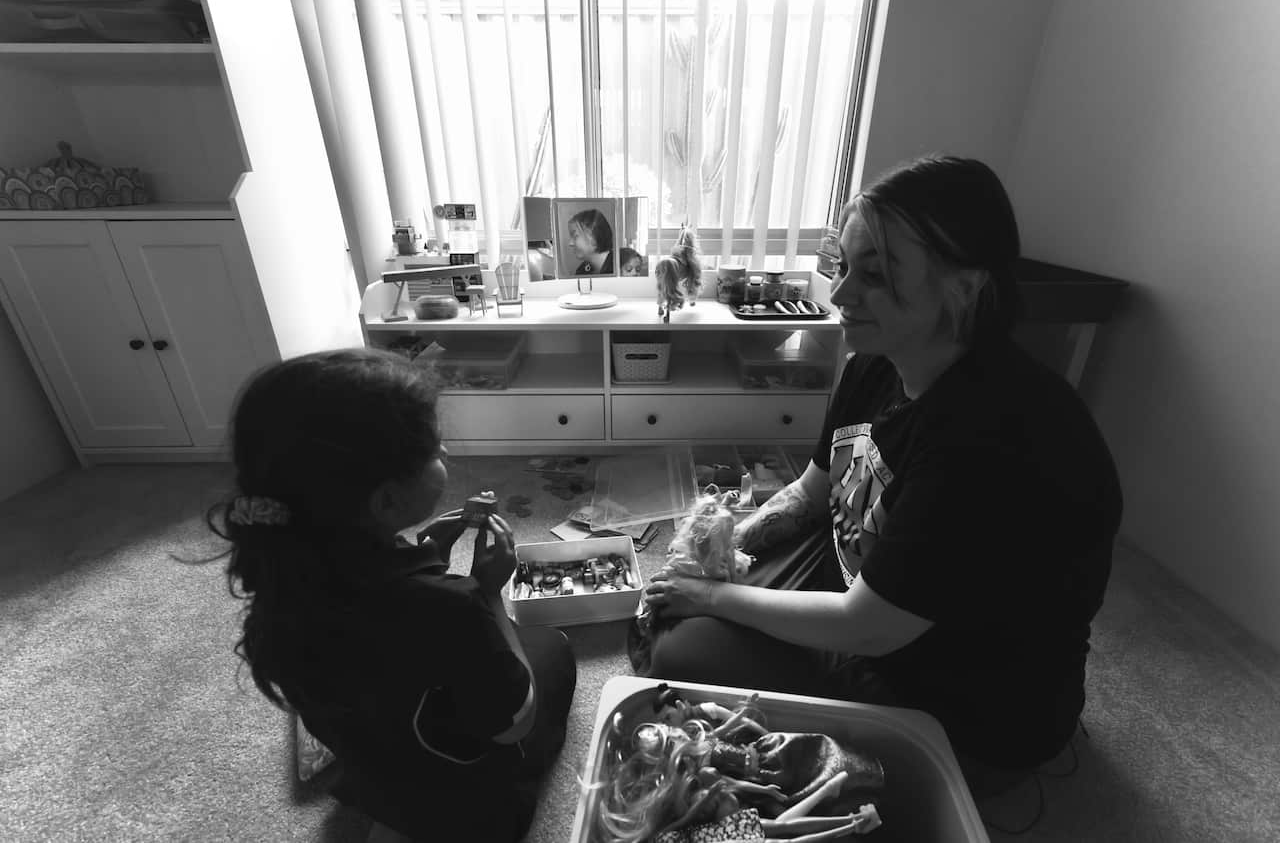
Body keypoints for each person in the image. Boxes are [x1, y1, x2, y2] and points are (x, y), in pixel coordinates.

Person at [634, 154, 1122, 792]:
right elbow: (813, 491)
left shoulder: (994, 439)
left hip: (961, 688)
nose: (838, 294)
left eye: (876, 275)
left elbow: (867, 627)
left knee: (680, 653)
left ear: (965, 289)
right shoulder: (880, 357)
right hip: (869, 583)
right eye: (843, 264)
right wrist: (723, 549)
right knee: (672, 615)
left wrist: (711, 596)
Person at [205, 348, 576, 841]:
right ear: (386, 500)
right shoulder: (452, 604)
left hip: (374, 775)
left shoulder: (281, 579)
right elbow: (513, 722)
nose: (444, 455)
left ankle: (390, 812)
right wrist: (486, 593)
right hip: (475, 812)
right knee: (553, 650)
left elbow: (384, 628)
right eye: (434, 450)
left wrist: (427, 559)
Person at [566, 208, 614, 275]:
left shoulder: (622, 267)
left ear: (593, 237)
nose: (570, 243)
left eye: (575, 236)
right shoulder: (582, 271)